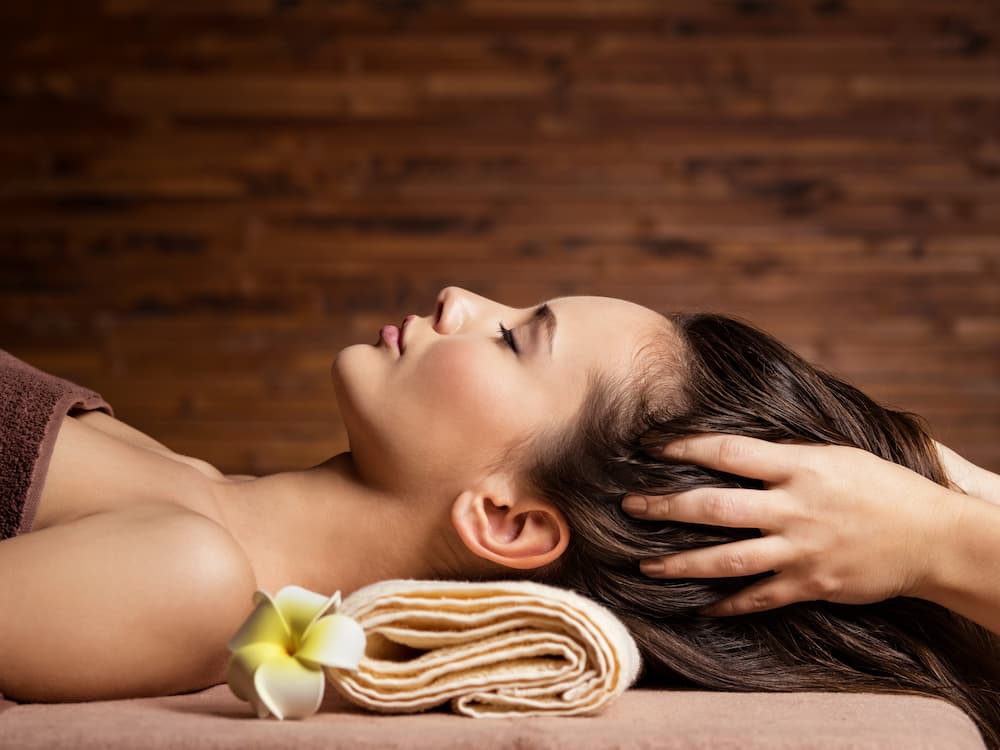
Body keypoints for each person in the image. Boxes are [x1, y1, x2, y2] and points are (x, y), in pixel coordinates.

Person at [1, 286, 998, 747]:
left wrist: (936, 536)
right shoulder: (178, 491)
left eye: (520, 340)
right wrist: (918, 486)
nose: (459, 297)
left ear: (510, 525)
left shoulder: (183, 578)